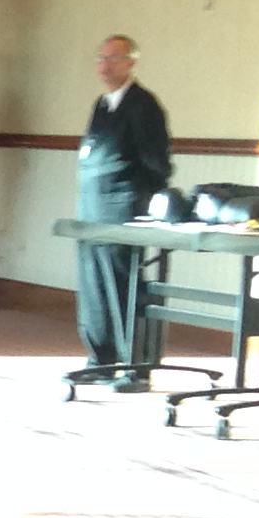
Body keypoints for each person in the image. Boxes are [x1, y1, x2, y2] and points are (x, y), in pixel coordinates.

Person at [73, 33, 173, 387]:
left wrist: (141, 199)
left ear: (131, 63)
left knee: (122, 286)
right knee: (94, 286)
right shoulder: (102, 104)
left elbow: (156, 161)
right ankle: (100, 359)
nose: (105, 65)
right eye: (101, 57)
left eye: (113, 58)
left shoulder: (143, 105)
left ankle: (134, 365)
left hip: (122, 207)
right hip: (92, 208)